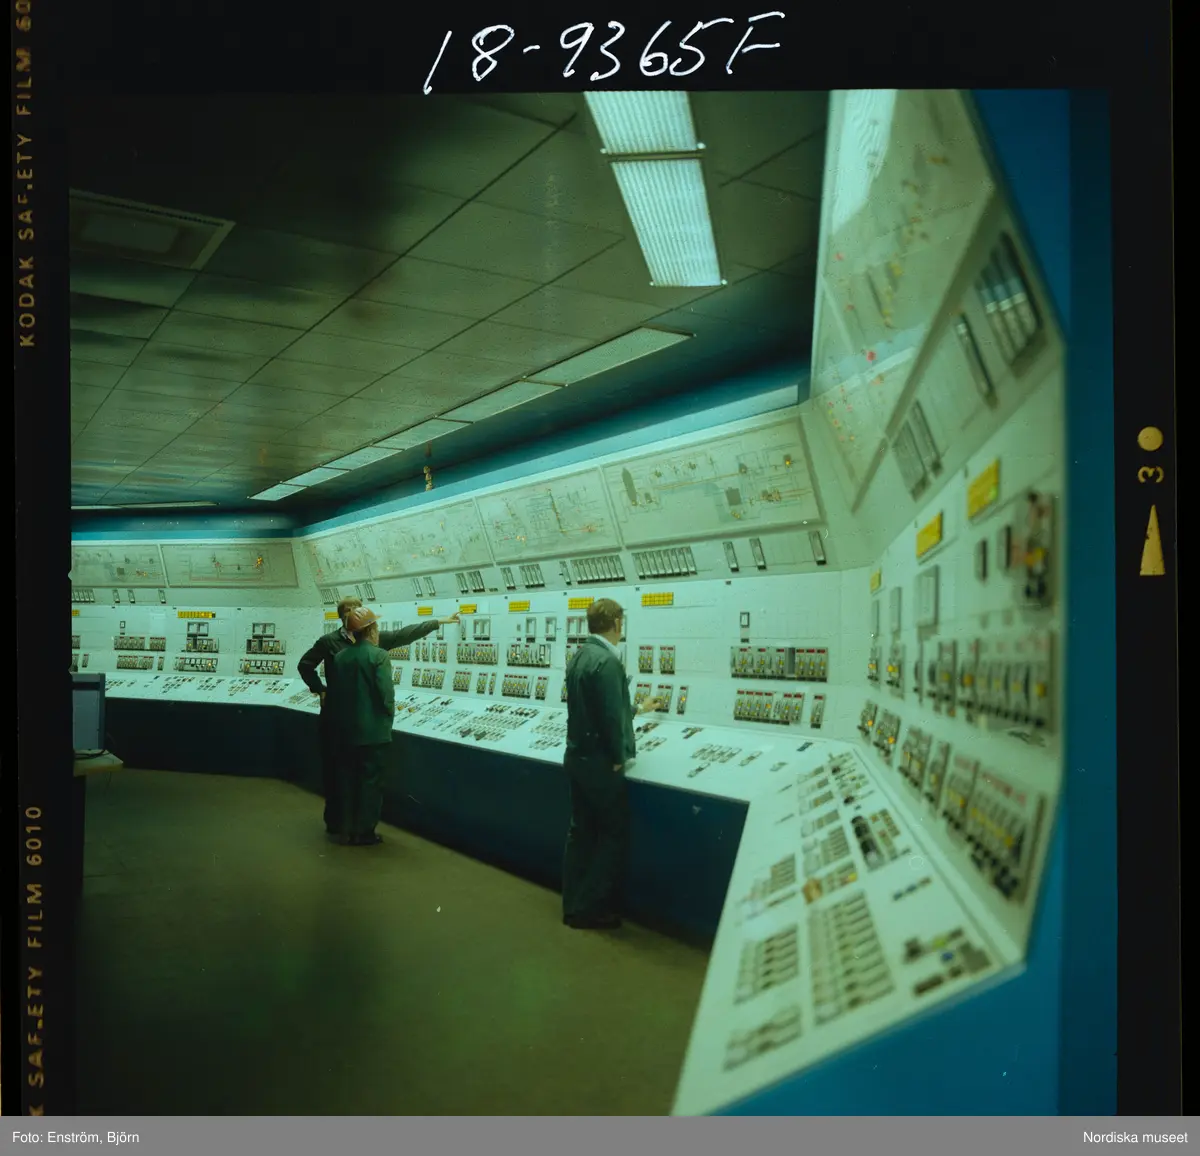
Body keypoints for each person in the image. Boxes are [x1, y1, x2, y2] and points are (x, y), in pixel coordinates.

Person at [297, 598, 457, 840]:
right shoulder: (331, 642)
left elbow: (405, 634)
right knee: (341, 776)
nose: (354, 613)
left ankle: (348, 827)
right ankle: (342, 825)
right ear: (342, 617)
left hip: (352, 720)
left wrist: (439, 622)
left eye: (357, 609)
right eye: (349, 611)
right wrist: (320, 689)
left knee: (348, 775)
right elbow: (306, 665)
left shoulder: (354, 650)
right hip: (342, 720)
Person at [561, 598, 662, 929]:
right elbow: (609, 718)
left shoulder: (580, 656)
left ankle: (573, 905)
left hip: (577, 757)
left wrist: (638, 709)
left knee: (581, 834)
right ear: (617, 623)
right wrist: (619, 759)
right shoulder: (608, 661)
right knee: (612, 835)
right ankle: (590, 909)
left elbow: (601, 708)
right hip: (600, 765)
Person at [323, 606, 407, 846]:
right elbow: (386, 694)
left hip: (345, 731)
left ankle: (345, 828)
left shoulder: (340, 657)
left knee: (347, 781)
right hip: (373, 733)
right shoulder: (379, 656)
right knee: (370, 783)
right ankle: (364, 832)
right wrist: (388, 716)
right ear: (371, 630)